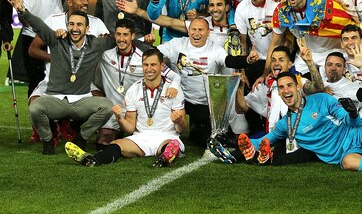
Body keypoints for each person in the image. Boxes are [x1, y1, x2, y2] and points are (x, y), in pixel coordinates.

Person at [6, 0, 115, 155]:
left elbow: (122, 39)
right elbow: (38, 26)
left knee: (106, 107)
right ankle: (48, 138)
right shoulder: (56, 41)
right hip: (56, 99)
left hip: (81, 100)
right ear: (67, 26)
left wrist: (145, 40)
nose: (75, 28)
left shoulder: (96, 44)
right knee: (35, 108)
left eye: (79, 25)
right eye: (72, 24)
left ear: (87, 28)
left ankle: (82, 137)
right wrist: (22, 11)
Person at [65, 49, 187, 167]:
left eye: (153, 65)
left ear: (161, 66)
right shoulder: (134, 90)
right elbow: (130, 128)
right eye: (145, 65)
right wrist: (119, 118)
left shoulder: (173, 89)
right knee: (116, 144)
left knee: (171, 145)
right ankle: (92, 160)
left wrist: (179, 121)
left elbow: (181, 128)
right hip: (141, 138)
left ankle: (166, 157)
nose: (149, 69)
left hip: (166, 137)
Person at [157, 17, 258, 147]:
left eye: (200, 30)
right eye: (193, 29)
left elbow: (229, 61)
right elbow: (155, 53)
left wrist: (247, 60)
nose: (196, 33)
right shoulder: (177, 44)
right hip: (180, 100)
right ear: (188, 31)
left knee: (207, 139)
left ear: (208, 32)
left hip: (203, 103)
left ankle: (197, 132)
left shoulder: (214, 49)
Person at [95, 18, 180, 147]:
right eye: (118, 34)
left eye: (125, 35)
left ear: (133, 36)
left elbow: (174, 76)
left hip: (136, 113)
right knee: (102, 144)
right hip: (114, 111)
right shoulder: (105, 55)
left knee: (141, 143)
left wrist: (173, 86)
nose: (121, 39)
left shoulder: (144, 58)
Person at [234, 44, 323, 166]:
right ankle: (231, 156)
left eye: (281, 60)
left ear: (290, 64)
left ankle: (259, 156)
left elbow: (318, 88)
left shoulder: (298, 81)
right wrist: (239, 86)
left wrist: (310, 63)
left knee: (276, 148)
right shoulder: (268, 84)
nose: (276, 63)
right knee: (256, 142)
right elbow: (242, 107)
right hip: (276, 133)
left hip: (299, 135)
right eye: (273, 60)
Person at [11, 0, 71, 97]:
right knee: (35, 81)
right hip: (32, 36)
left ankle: (60, 117)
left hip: (58, 35)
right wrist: (19, 10)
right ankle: (37, 119)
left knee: (64, 78)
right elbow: (24, 23)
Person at [266, 0, 344, 75]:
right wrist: (265, 73)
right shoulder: (282, 11)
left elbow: (346, 23)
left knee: (329, 88)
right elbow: (274, 44)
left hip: (331, 52)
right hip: (305, 53)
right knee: (293, 83)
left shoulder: (324, 4)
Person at [234, 0, 279, 85]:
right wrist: (242, 71)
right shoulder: (242, 8)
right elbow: (242, 43)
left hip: (277, 58)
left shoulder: (275, 5)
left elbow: (275, 43)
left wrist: (265, 74)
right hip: (256, 59)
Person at [321, 48, 362, 118]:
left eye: (338, 65)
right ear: (324, 67)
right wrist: (320, 90)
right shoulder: (320, 83)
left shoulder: (349, 88)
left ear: (344, 69)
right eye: (329, 64)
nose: (333, 68)